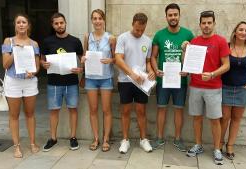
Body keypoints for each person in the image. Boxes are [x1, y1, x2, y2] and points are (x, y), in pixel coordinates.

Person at [185, 11, 230, 165]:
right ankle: (198, 145)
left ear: (214, 24)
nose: (206, 26)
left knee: (214, 119)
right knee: (196, 117)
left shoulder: (221, 41)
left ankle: (217, 149)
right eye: (203, 23)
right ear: (200, 25)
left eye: (209, 23)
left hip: (213, 87)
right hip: (195, 86)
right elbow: (188, 64)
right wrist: (185, 50)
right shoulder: (194, 41)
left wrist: (212, 74)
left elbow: (226, 65)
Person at [150, 3, 194, 151]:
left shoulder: (188, 35)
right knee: (161, 109)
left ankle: (177, 139)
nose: (173, 17)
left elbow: (192, 58)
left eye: (175, 15)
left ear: (179, 16)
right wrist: (156, 70)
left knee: (178, 110)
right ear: (166, 17)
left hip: (180, 81)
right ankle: (160, 138)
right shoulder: (159, 35)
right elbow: (153, 57)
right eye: (170, 15)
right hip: (163, 80)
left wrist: (187, 71)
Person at [40, 12, 83, 151]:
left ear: (65, 23)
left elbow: (83, 59)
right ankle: (53, 138)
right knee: (54, 111)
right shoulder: (47, 41)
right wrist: (43, 64)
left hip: (71, 82)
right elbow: (41, 59)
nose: (59, 25)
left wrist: (80, 69)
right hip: (54, 82)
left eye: (61, 23)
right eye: (56, 23)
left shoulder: (75, 41)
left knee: (73, 109)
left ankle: (73, 137)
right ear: (53, 25)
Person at [115, 12, 155, 154]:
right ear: (133, 24)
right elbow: (118, 59)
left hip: (142, 83)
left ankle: (143, 139)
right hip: (125, 81)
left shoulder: (148, 41)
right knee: (125, 111)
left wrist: (151, 71)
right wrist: (131, 73)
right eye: (137, 29)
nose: (139, 32)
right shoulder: (122, 38)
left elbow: (148, 61)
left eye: (142, 30)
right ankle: (125, 140)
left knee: (141, 111)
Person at [2, 13, 40, 158]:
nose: (21, 24)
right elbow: (5, 65)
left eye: (24, 22)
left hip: (29, 82)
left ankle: (32, 142)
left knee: (30, 113)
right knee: (14, 115)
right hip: (13, 81)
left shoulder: (34, 43)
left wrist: (33, 72)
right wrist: (15, 52)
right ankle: (16, 146)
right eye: (18, 22)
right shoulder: (8, 41)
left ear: (28, 25)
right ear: (15, 25)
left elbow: (37, 67)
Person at [220, 21, 246, 160]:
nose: (243, 32)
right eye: (241, 29)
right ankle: (219, 144)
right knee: (224, 118)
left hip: (243, 89)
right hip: (225, 88)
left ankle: (230, 146)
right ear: (235, 32)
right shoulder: (226, 47)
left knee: (236, 119)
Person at [81, 9, 116, 152]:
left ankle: (106, 139)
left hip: (106, 78)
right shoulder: (87, 36)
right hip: (91, 78)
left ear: (104, 20)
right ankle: (96, 138)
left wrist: (111, 60)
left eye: (100, 18)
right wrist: (82, 60)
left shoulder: (111, 38)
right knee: (93, 110)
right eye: (94, 18)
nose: (97, 21)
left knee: (107, 110)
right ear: (91, 21)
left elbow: (116, 58)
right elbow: (84, 55)